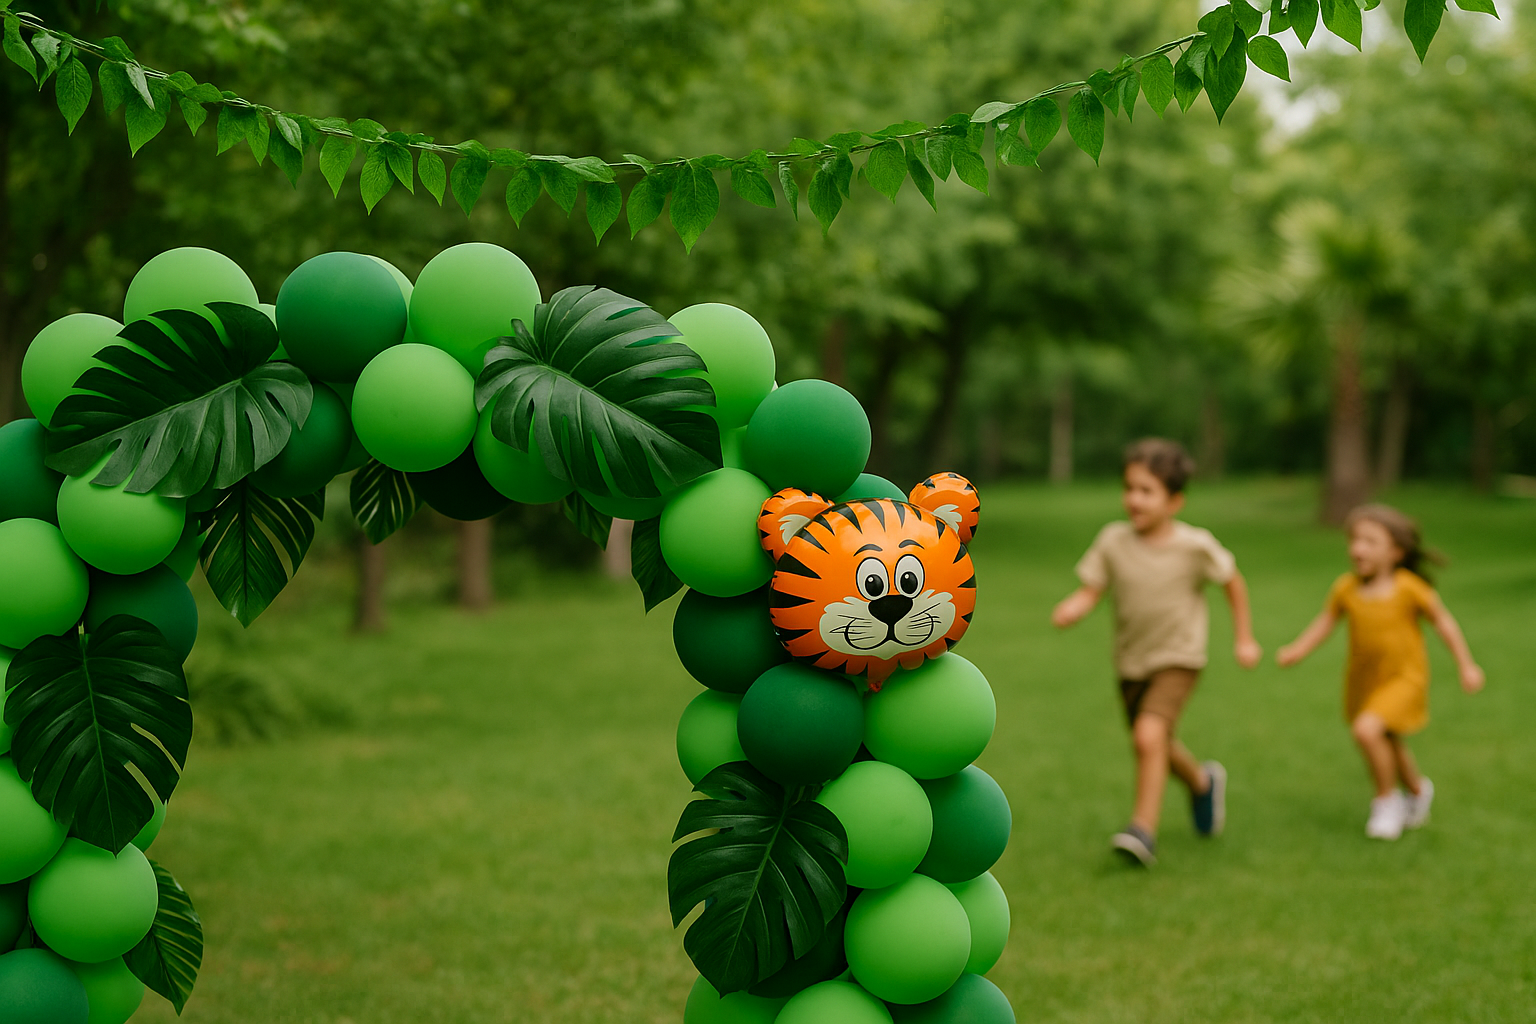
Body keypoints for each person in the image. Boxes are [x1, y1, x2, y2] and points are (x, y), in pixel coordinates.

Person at [1052, 438, 1262, 867]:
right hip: (1131, 661)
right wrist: (1078, 605)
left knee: (1148, 737)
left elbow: (1232, 582)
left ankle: (1142, 831)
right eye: (1130, 487)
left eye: (1147, 491)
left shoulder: (1194, 545)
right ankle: (1202, 783)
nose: (1134, 499)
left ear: (1175, 500)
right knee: (1155, 742)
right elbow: (1094, 586)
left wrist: (1244, 637)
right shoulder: (1113, 540)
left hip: (1179, 658)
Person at [1277, 504, 1484, 841]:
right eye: (1355, 540)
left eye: (1370, 541)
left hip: (1404, 678)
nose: (1358, 549)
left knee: (1367, 731)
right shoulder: (1346, 588)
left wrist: (1466, 664)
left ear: (1396, 552)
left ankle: (1387, 801)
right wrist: (1297, 649)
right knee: (1388, 737)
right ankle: (1417, 792)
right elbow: (1325, 622)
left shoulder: (1408, 587)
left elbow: (1443, 622)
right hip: (1364, 680)